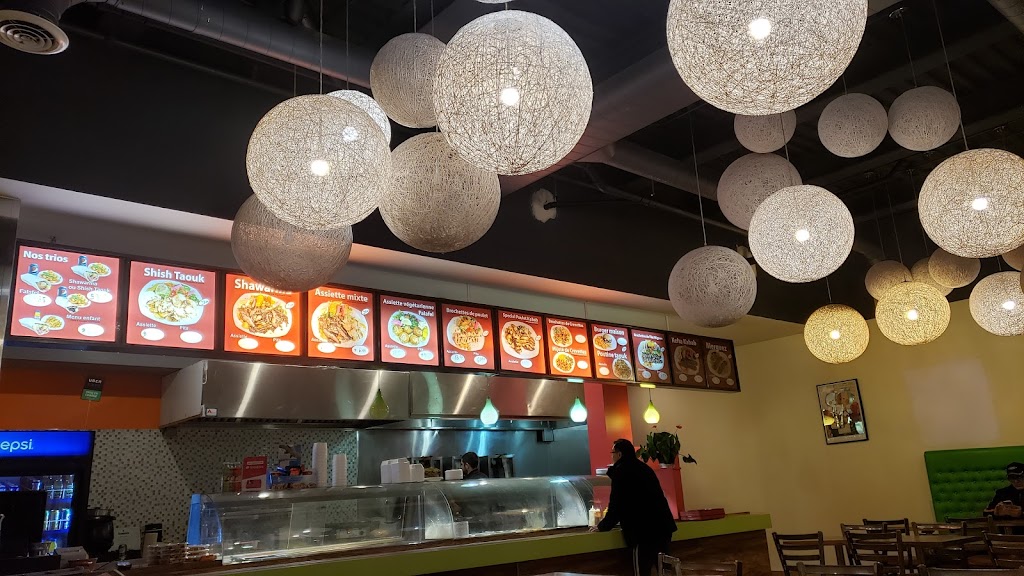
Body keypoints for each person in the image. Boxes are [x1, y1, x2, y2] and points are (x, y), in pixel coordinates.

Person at [593, 438, 678, 576]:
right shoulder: (644, 468)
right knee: (664, 570)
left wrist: (603, 526)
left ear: (619, 454)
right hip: (663, 527)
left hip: (643, 531)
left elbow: (617, 504)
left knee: (642, 570)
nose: (611, 456)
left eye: (612, 453)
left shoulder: (621, 471)